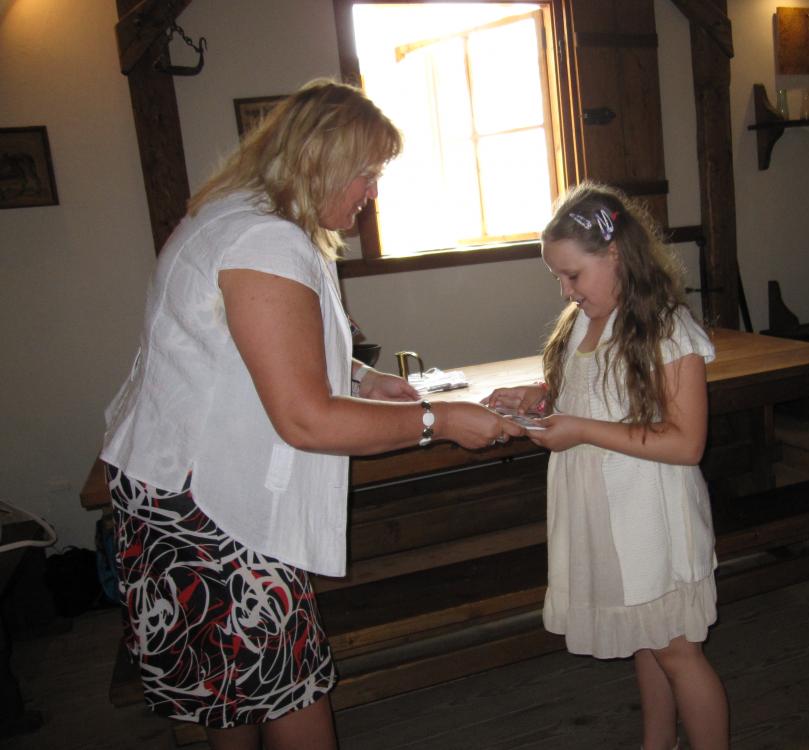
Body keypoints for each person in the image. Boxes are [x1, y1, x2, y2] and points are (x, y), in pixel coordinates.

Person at [100, 78, 524, 750]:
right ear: (319, 161)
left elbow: (251, 346)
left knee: (227, 694)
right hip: (207, 502)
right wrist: (439, 422)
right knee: (285, 686)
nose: (371, 192)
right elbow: (307, 420)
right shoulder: (264, 242)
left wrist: (362, 377)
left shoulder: (236, 216)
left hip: (172, 486)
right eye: (366, 173)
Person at [485, 183, 729, 749]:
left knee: (677, 651)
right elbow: (597, 393)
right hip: (610, 518)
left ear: (615, 254)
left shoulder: (668, 329)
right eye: (558, 279)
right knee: (645, 638)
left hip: (651, 519)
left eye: (573, 275)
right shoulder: (584, 320)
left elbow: (687, 442)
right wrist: (542, 398)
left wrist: (580, 429)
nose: (566, 291)